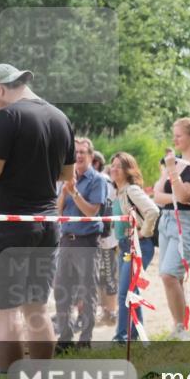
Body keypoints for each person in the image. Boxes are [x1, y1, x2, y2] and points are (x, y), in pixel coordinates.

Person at [0, 64, 74, 379]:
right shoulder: (60, 117)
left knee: (7, 312)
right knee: (37, 308)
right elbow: (66, 175)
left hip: (9, 227)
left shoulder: (8, 116)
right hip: (47, 224)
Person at [153, 118, 190, 340]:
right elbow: (157, 196)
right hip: (167, 221)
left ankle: (181, 328)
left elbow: (186, 195)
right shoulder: (172, 160)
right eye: (174, 135)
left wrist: (172, 173)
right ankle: (179, 327)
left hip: (189, 223)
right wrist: (175, 196)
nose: (174, 139)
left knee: (169, 274)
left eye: (179, 135)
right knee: (171, 277)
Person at [53, 137, 108, 350]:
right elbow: (57, 212)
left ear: (91, 156)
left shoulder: (97, 180)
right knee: (61, 290)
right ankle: (65, 338)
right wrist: (65, 192)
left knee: (87, 291)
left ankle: (85, 340)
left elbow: (91, 212)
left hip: (87, 242)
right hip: (66, 240)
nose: (78, 156)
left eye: (83, 152)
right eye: (75, 152)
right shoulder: (67, 179)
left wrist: (74, 192)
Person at [110, 152, 159, 343]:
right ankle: (138, 333)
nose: (114, 169)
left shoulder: (131, 190)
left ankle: (121, 337)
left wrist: (143, 232)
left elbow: (153, 211)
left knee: (125, 292)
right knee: (131, 292)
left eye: (119, 166)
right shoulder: (118, 192)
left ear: (127, 170)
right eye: (113, 165)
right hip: (124, 247)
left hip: (139, 246)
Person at [91, 150, 119, 327]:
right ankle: (105, 311)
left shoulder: (104, 181)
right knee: (99, 276)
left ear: (95, 163)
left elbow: (107, 208)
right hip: (97, 237)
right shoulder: (95, 180)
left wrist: (104, 232)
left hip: (106, 238)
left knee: (108, 275)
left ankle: (111, 311)